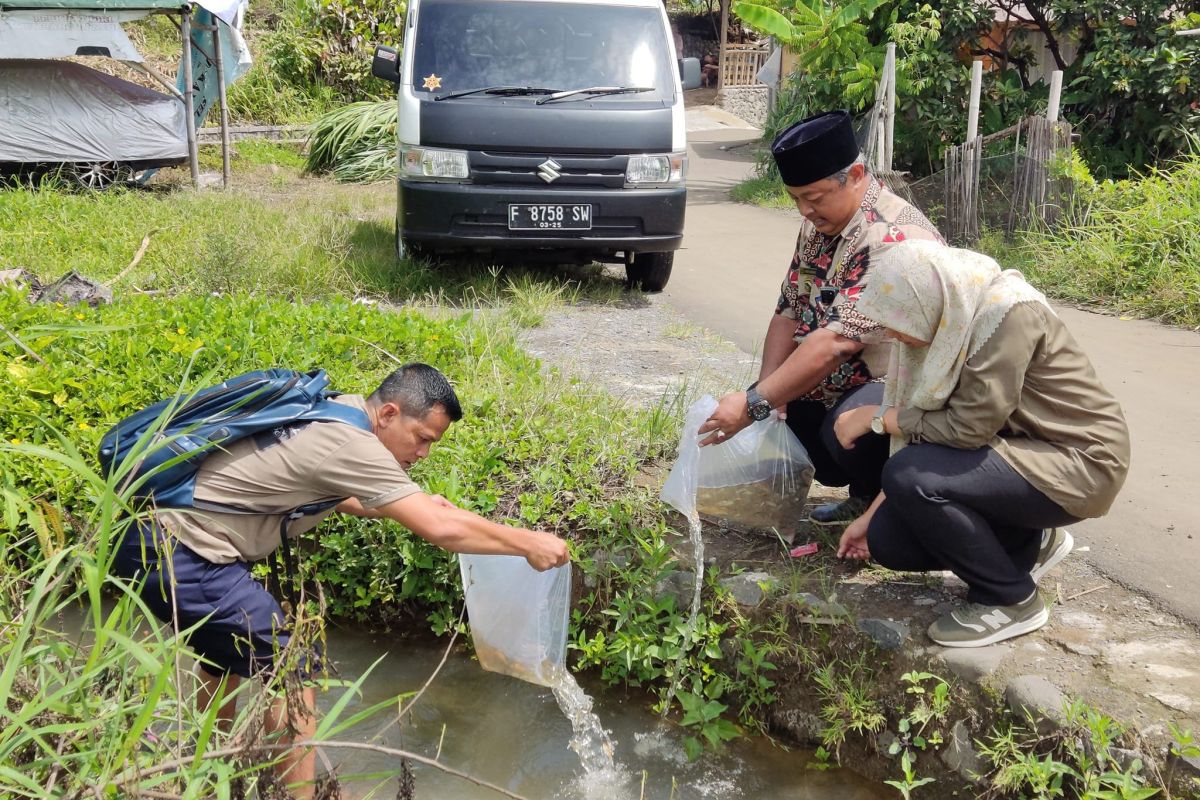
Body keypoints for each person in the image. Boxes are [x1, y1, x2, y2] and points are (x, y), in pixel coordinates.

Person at [111, 363, 570, 798]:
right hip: (180, 547)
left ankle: (205, 771)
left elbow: (341, 491)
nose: (424, 452)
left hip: (153, 536)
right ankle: (298, 795)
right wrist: (526, 541)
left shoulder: (336, 412)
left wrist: (411, 501)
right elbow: (442, 532)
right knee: (292, 663)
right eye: (422, 438)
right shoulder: (352, 444)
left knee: (224, 653)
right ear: (389, 413)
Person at [833, 241, 1130, 647]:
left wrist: (879, 420)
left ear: (930, 297)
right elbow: (942, 438)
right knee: (890, 541)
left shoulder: (1006, 314)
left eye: (900, 320)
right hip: (1017, 452)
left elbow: (964, 431)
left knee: (910, 475)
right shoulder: (954, 319)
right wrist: (872, 513)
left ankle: (1010, 599)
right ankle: (1031, 541)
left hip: (1078, 462)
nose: (894, 335)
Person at [698, 109, 943, 529]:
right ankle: (864, 495)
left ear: (857, 174)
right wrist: (767, 393)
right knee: (785, 413)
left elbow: (836, 343)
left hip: (912, 393)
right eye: (795, 199)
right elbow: (789, 307)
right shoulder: (822, 223)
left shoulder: (891, 239)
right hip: (841, 385)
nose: (805, 211)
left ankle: (893, 506)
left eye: (814, 198)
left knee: (842, 428)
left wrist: (754, 404)